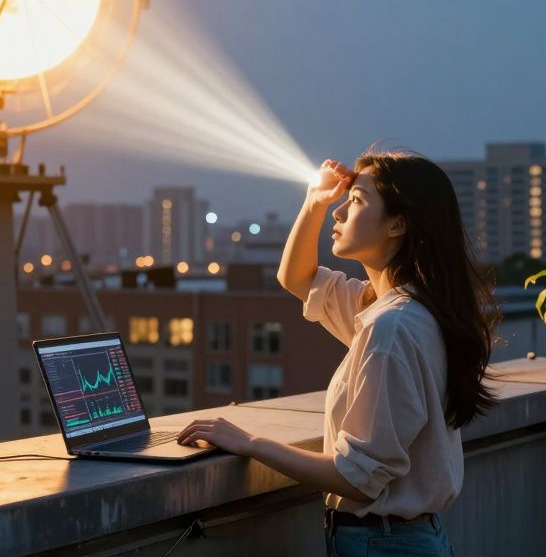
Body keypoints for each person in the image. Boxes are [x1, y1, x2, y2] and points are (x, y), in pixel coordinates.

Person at [177, 149, 499, 555]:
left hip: (384, 543)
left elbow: (357, 478)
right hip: (403, 540)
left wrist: (251, 442)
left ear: (399, 223)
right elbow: (297, 278)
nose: (339, 212)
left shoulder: (392, 327)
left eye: (358, 201)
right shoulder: (397, 309)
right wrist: (314, 202)